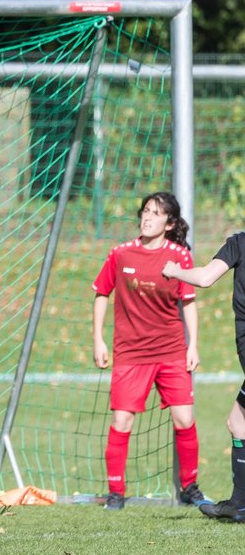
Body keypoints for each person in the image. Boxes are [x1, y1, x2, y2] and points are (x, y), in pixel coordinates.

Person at [92, 191, 207, 511]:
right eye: (145, 211)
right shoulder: (121, 253)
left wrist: (192, 345)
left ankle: (190, 488)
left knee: (185, 419)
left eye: (156, 213)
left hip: (171, 351)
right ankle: (115, 493)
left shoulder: (179, 257)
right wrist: (98, 339)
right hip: (130, 354)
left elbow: (189, 302)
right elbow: (102, 293)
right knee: (122, 422)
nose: (147, 217)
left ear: (169, 223)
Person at [162, 227, 245, 521]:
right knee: (238, 423)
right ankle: (238, 505)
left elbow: (205, 278)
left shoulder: (240, 242)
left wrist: (173, 269)